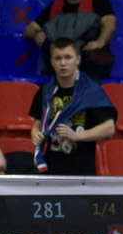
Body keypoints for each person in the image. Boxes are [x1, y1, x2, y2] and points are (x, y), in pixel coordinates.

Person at [28, 37, 117, 176]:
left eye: (68, 57)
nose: (63, 63)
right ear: (51, 61)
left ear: (78, 59)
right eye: (58, 58)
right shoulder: (45, 92)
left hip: (82, 172)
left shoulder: (90, 90)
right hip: (51, 170)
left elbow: (109, 128)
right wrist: (35, 133)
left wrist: (77, 136)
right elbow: (37, 124)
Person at [23, 0, 116, 81]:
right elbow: (29, 30)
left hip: (91, 67)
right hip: (63, 65)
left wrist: (99, 42)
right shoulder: (54, 7)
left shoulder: (99, 2)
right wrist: (36, 34)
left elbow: (110, 24)